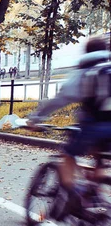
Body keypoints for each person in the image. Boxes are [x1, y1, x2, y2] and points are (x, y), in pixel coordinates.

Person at [27, 36, 111, 217]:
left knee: (68, 155)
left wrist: (35, 118)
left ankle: (73, 198)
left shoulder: (87, 71)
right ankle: (96, 197)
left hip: (94, 126)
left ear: (87, 52)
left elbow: (61, 99)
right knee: (100, 158)